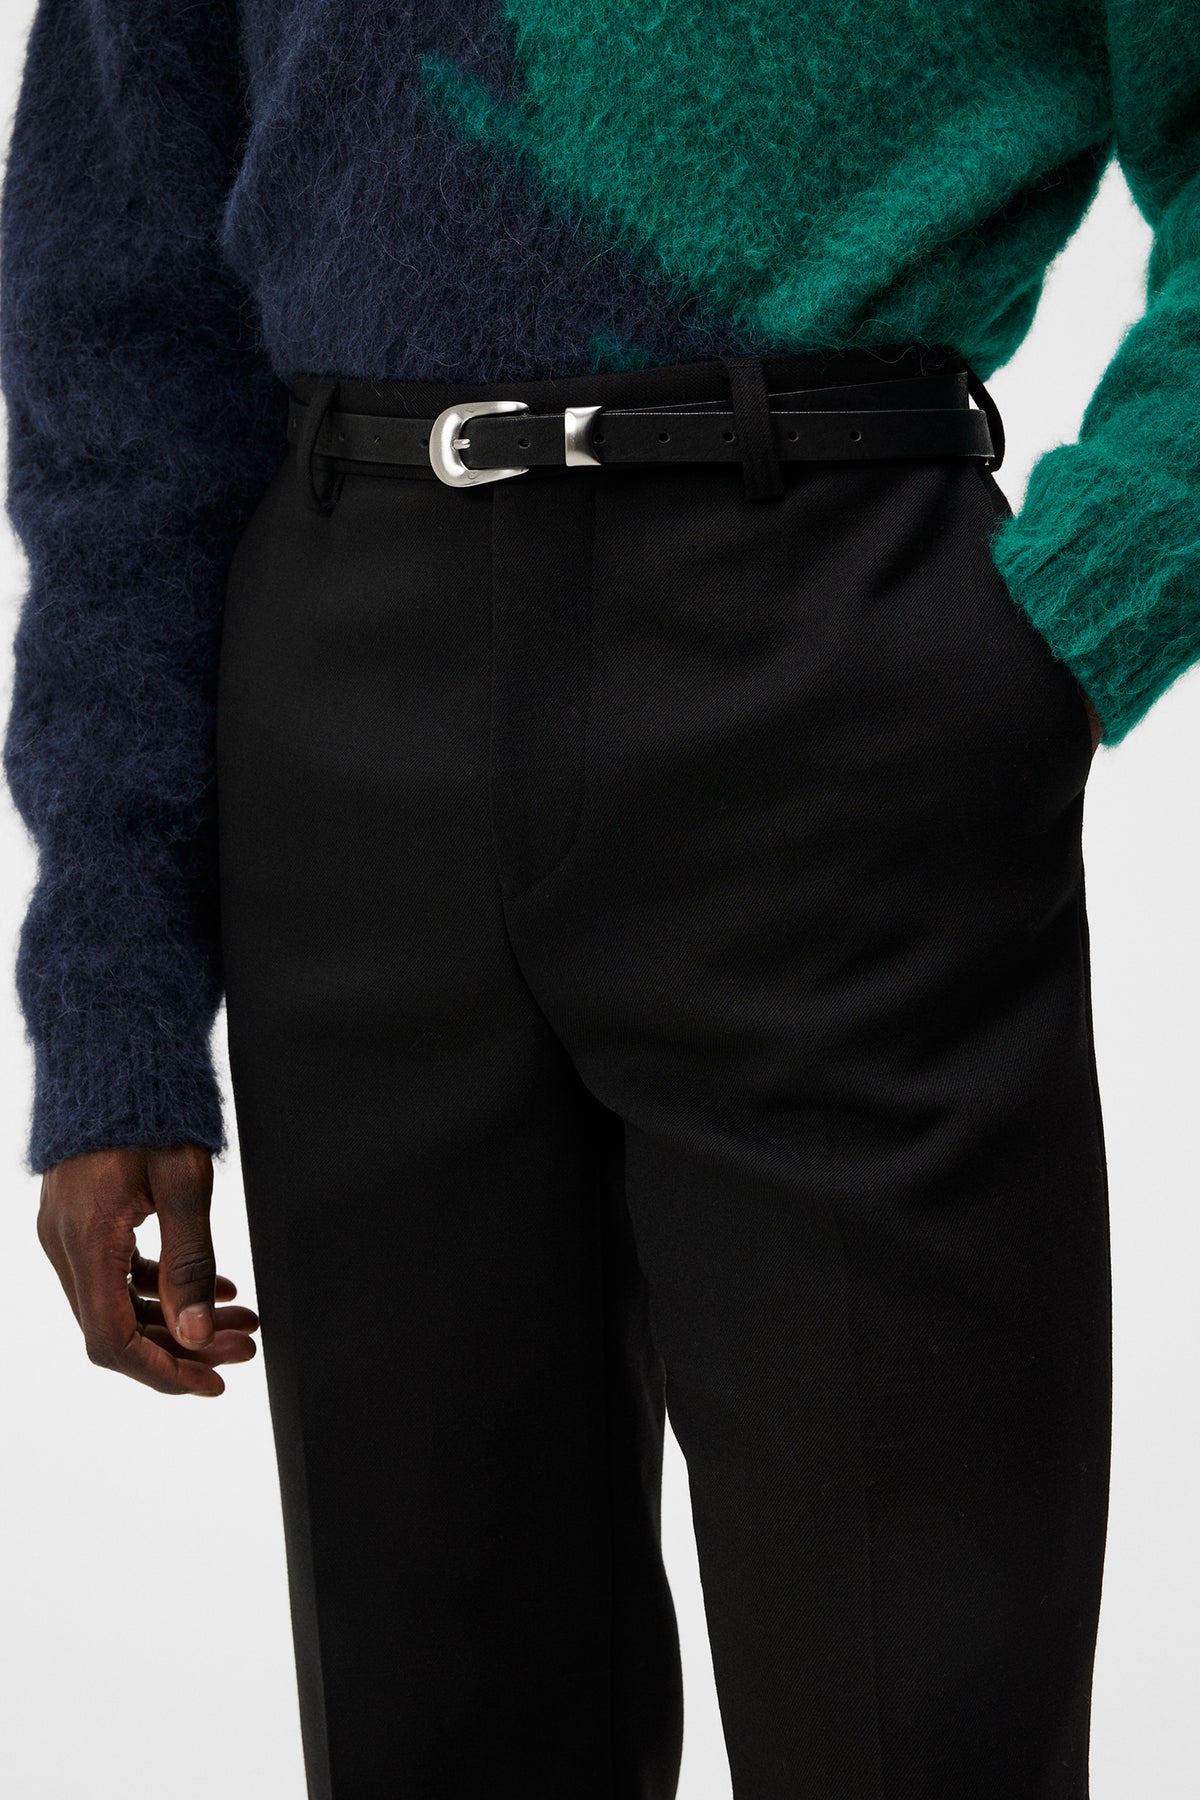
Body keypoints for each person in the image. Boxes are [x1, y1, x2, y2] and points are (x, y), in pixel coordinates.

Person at [0, 1, 1192, 1796]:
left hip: (837, 680)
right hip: (344, 716)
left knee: (918, 1723)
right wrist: (115, 992)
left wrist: (1086, 611)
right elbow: (117, 315)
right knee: (435, 1733)